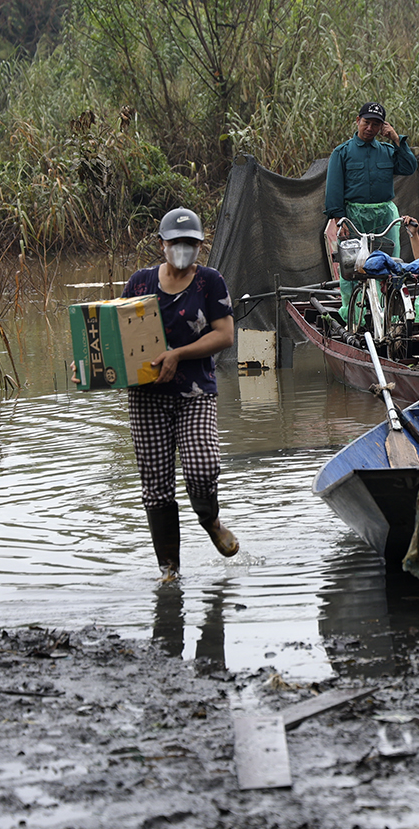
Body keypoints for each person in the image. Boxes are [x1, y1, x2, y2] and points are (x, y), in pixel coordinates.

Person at [120, 207, 239, 573]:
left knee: (203, 467)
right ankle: (169, 571)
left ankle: (210, 521)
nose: (183, 249)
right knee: (157, 487)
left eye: (190, 243)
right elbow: (117, 335)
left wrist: (178, 355)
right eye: (176, 243)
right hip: (147, 398)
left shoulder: (210, 282)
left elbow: (225, 335)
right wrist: (90, 369)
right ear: (162, 244)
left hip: (195, 393)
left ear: (200, 247)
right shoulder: (140, 283)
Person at [324, 101, 419, 323]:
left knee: (389, 263)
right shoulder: (342, 153)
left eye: (376, 125)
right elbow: (334, 188)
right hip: (353, 215)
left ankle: (390, 317)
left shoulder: (387, 151)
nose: (369, 128)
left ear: (382, 127)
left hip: (384, 214)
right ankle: (353, 316)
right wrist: (340, 220)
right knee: (352, 267)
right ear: (358, 121)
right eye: (366, 123)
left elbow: (409, 167)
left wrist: (396, 139)